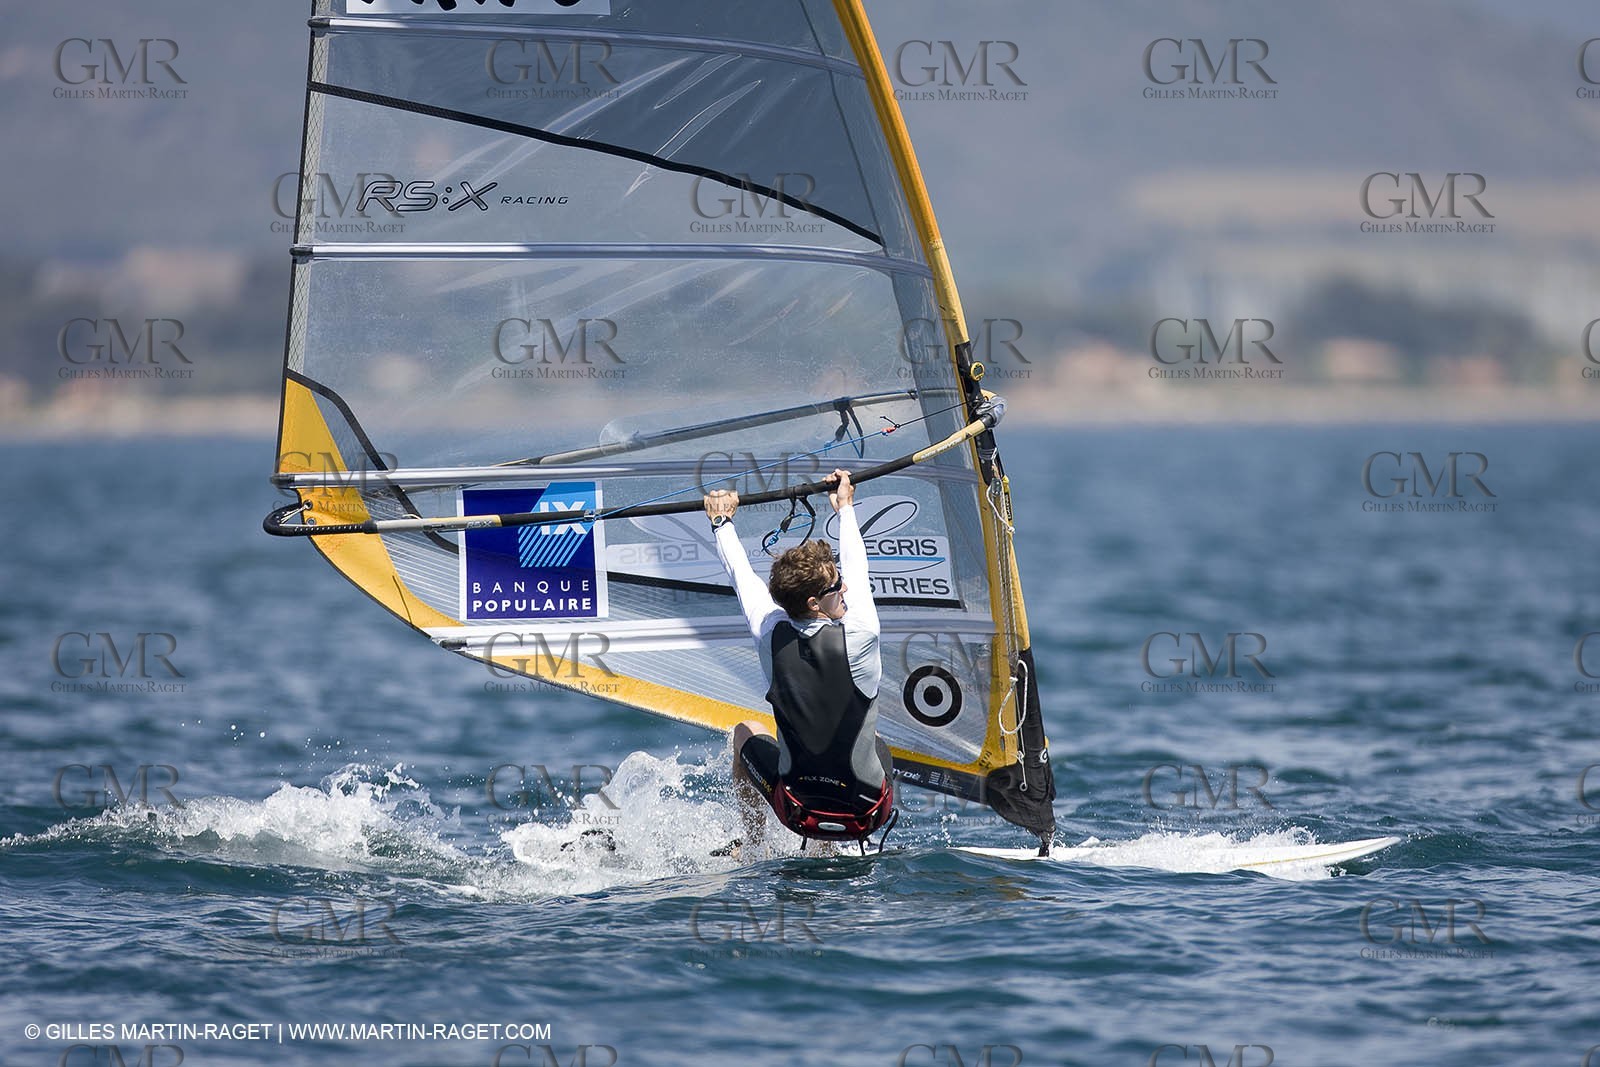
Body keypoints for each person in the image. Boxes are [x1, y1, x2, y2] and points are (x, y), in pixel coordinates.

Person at [704, 469, 895, 852]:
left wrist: (721, 521)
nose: (844, 587)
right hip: (868, 813)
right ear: (813, 603)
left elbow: (740, 574)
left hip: (794, 810)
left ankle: (754, 848)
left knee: (745, 732)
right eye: (835, 586)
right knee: (872, 739)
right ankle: (828, 849)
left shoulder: (769, 632)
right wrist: (845, 507)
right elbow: (859, 568)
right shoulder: (862, 634)